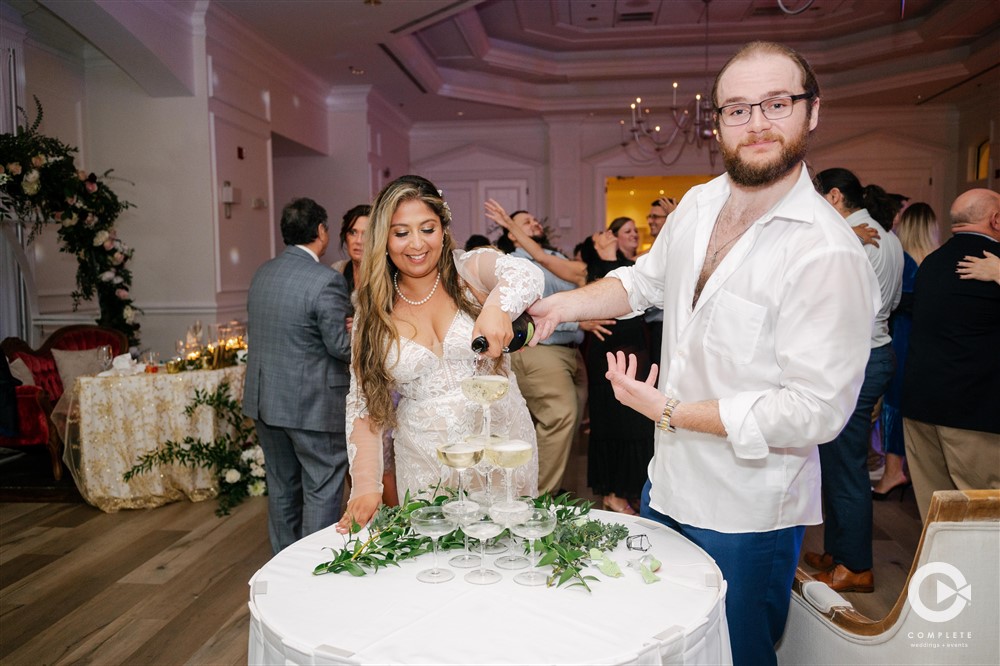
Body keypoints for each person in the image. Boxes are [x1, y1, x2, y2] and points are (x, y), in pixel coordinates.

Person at [527, 42, 877, 665]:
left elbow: (816, 411)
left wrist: (669, 411)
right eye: (737, 109)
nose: (757, 123)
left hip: (749, 506)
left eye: (777, 103)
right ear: (716, 121)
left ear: (812, 112)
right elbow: (641, 282)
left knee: (737, 652)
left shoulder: (827, 251)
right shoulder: (699, 202)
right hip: (668, 482)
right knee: (671, 638)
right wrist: (560, 307)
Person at [336, 175, 543, 533]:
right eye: (401, 233)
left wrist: (495, 306)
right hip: (425, 457)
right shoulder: (371, 312)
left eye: (427, 229)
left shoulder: (471, 271)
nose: (416, 244)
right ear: (383, 239)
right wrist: (367, 485)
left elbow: (526, 274)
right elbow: (364, 403)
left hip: (501, 445)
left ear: (444, 230)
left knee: (509, 553)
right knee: (435, 563)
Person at [805, 169, 903, 593]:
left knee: (845, 466)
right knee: (837, 460)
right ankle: (838, 552)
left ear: (834, 196)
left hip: (858, 358)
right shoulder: (883, 235)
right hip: (874, 351)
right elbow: (892, 302)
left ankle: (857, 566)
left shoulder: (855, 239)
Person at [244, 197, 353, 554]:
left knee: (282, 487)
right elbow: (340, 346)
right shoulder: (325, 281)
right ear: (321, 231)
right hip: (311, 404)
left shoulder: (264, 272)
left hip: (266, 401)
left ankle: (283, 565)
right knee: (322, 484)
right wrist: (365, 334)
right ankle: (312, 566)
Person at [902, 188, 1000, 521]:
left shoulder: (932, 262)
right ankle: (983, 576)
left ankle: (941, 574)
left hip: (920, 404)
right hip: (974, 411)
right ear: (996, 219)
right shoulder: (992, 266)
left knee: (937, 513)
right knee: (984, 511)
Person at [486, 199, 590, 495]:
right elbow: (522, 314)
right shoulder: (515, 265)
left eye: (535, 220)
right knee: (561, 415)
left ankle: (553, 494)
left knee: (567, 426)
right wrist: (578, 324)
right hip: (541, 349)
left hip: (571, 351)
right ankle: (537, 501)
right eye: (525, 221)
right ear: (511, 233)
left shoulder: (554, 257)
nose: (535, 223)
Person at [577, 219, 655, 514]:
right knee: (611, 422)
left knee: (638, 421)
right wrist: (578, 319)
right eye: (604, 232)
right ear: (594, 243)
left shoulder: (634, 267)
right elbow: (557, 296)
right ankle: (613, 493)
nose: (610, 236)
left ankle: (632, 488)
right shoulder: (585, 269)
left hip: (637, 349)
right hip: (604, 354)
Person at [874, 202, 940, 499]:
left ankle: (892, 471)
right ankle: (919, 469)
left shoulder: (902, 259)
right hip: (933, 342)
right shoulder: (938, 261)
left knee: (894, 404)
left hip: (901, 336)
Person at [331, 204, 370, 292]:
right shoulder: (337, 270)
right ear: (345, 237)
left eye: (366, 234)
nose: (358, 241)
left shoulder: (388, 276)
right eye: (353, 232)